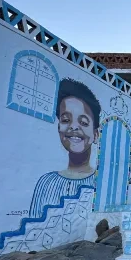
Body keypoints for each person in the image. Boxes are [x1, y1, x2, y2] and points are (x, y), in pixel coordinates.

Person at [29, 79, 101, 219]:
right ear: (58, 128)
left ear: (96, 134)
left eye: (83, 122)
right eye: (66, 120)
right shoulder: (46, 183)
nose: (73, 127)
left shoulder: (101, 185)